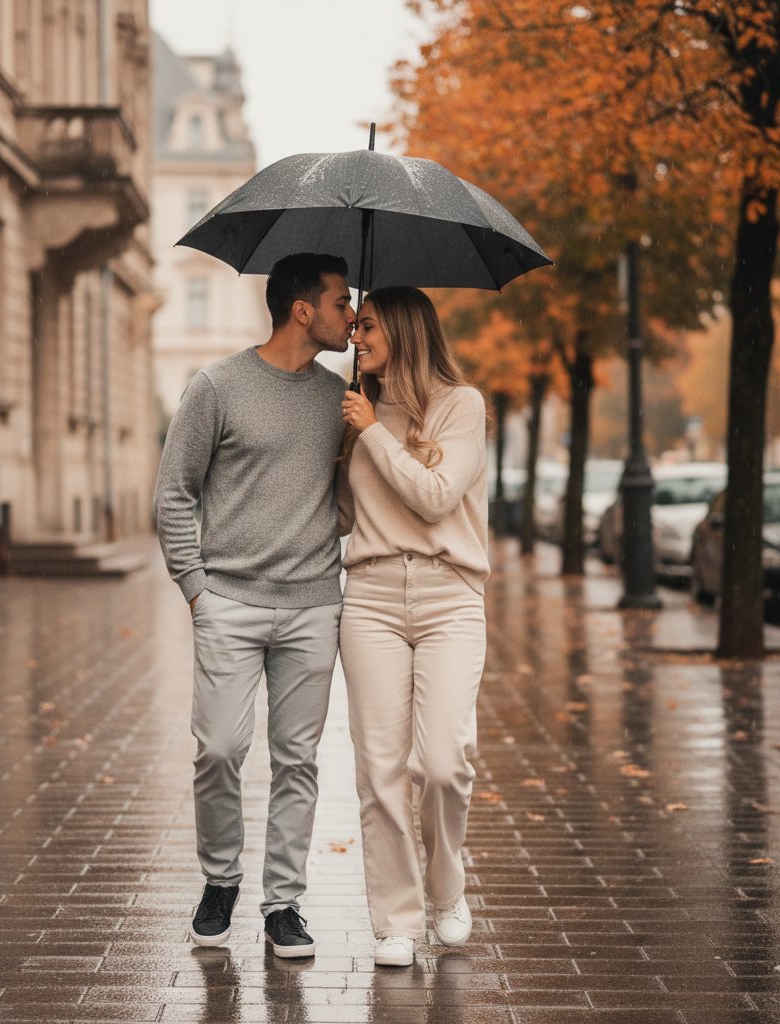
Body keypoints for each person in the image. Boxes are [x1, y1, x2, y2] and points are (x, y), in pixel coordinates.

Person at [153, 252, 355, 959]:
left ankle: (283, 905)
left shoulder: (341, 399)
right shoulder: (217, 386)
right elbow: (174, 491)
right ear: (303, 310)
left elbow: (352, 501)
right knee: (218, 749)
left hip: (312, 606)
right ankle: (220, 882)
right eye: (341, 302)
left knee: (298, 760)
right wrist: (196, 589)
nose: (351, 315)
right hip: (229, 602)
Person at [337, 286, 488, 968]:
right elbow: (342, 514)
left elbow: (434, 498)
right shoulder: (354, 411)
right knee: (380, 769)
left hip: (448, 595)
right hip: (370, 597)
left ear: (404, 329)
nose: (356, 336)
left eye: (367, 324)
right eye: (355, 325)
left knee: (443, 763)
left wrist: (373, 431)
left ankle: (446, 888)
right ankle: (395, 920)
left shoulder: (462, 406)